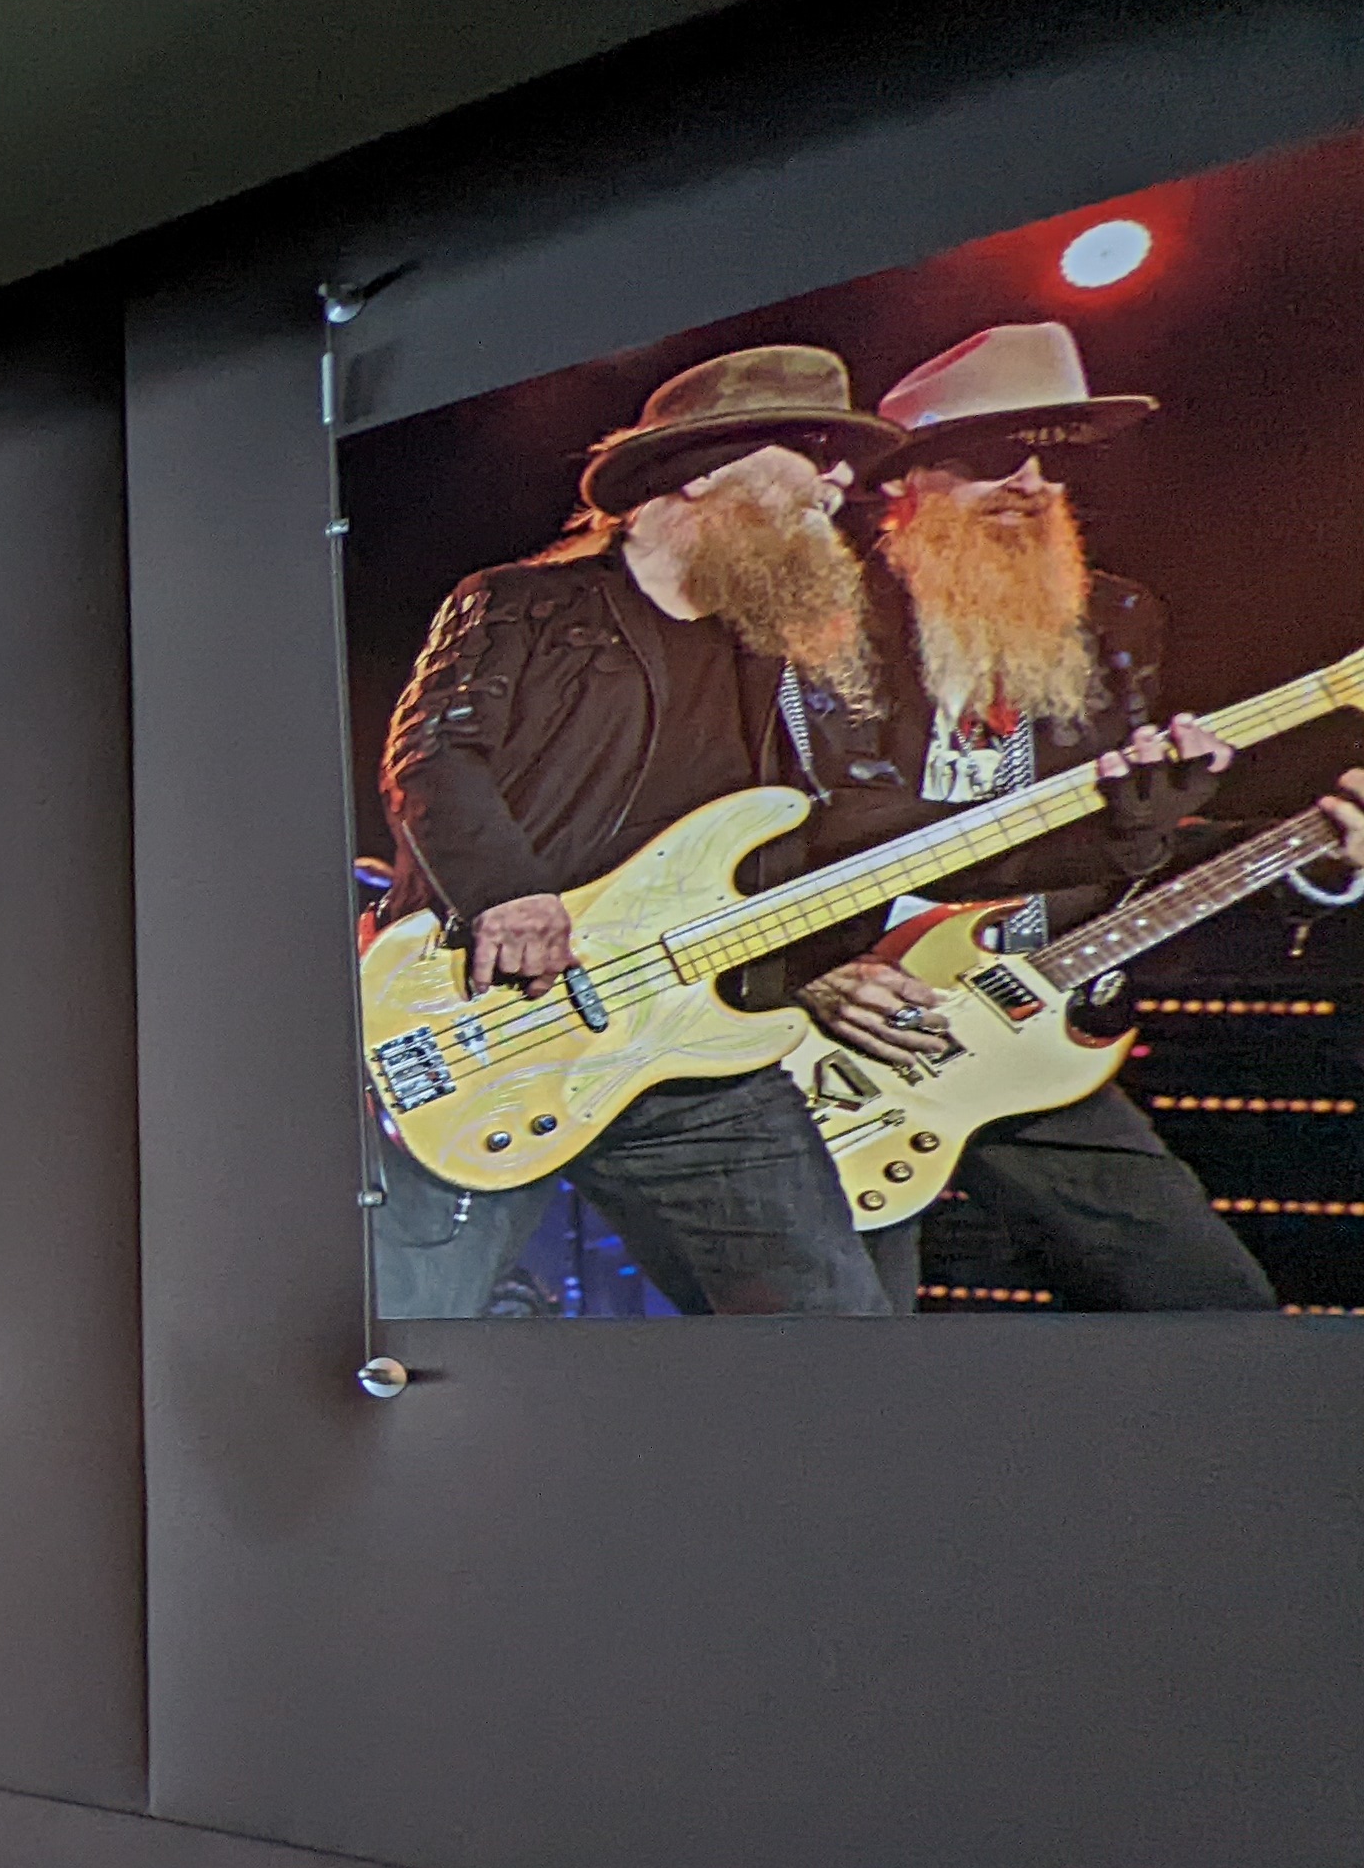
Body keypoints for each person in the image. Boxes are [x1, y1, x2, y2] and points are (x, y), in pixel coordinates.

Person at [789, 322, 1347, 1310]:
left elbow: (1122, 857)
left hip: (1021, 1023)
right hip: (821, 1031)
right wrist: (808, 972)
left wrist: (1313, 850)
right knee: (844, 1345)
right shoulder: (814, 623)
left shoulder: (1115, 621)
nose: (1033, 483)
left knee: (1213, 1310)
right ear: (900, 482)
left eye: (1056, 460)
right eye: (997, 456)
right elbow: (753, 830)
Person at [368, 344, 907, 1316]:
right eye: (812, 450)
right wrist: (508, 894)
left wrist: (1120, 817)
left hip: (694, 1062)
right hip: (491, 1025)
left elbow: (857, 829)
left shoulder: (787, 670)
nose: (838, 482)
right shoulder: (522, 603)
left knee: (832, 1341)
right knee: (406, 1336)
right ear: (699, 471)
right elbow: (433, 757)